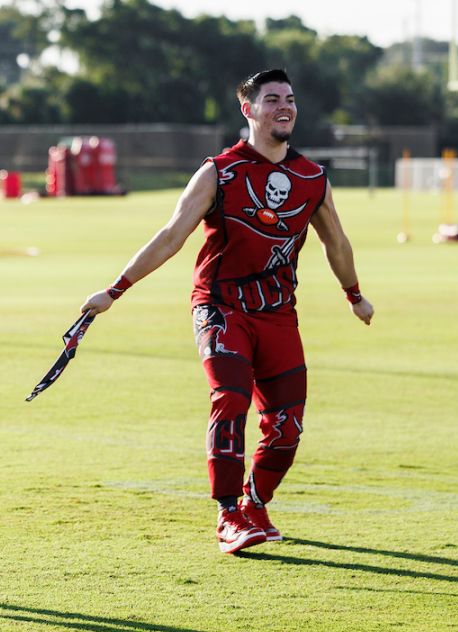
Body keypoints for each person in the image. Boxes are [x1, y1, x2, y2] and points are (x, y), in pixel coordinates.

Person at [79, 68, 374, 554]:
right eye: (274, 99)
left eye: (291, 99)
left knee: (288, 424)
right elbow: (172, 235)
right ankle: (228, 515)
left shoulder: (312, 178)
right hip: (220, 308)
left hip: (279, 314)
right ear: (249, 110)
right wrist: (115, 289)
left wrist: (354, 294)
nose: (286, 107)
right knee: (231, 400)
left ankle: (256, 504)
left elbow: (335, 242)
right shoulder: (220, 171)